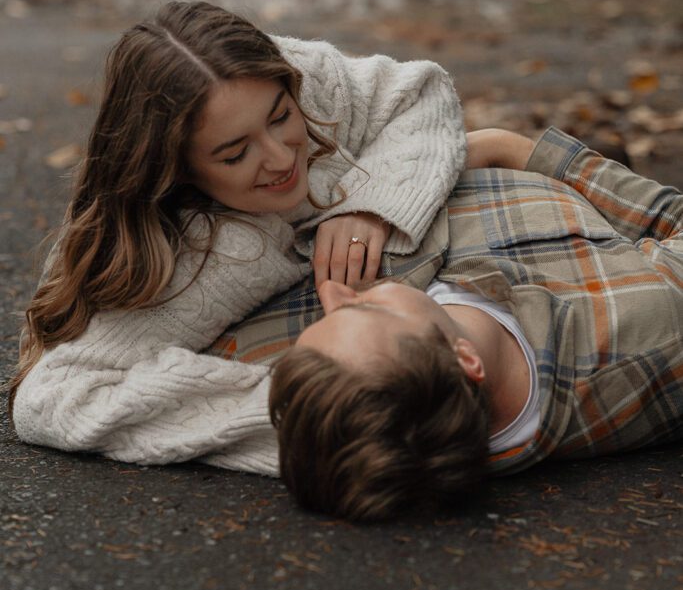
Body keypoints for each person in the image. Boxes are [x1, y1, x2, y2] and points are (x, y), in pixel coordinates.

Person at [10, 0, 468, 470]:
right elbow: (49, 399)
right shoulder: (199, 255)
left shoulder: (293, 77)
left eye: (280, 118)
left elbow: (421, 91)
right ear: (177, 170)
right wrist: (300, 402)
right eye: (234, 155)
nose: (280, 159)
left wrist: (370, 207)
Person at [219, 126, 682, 521]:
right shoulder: (652, 328)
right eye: (364, 307)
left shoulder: (340, 377)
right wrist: (511, 148)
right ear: (465, 359)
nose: (332, 293)